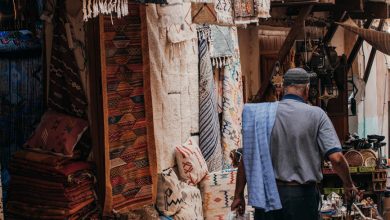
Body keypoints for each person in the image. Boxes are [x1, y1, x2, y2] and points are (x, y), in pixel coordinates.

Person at [231, 68, 358, 220]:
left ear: (284, 88)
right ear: (307, 88)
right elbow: (336, 159)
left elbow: (248, 157)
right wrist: (348, 184)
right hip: (302, 198)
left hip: (268, 197)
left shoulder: (262, 115)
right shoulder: (317, 115)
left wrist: (238, 195)